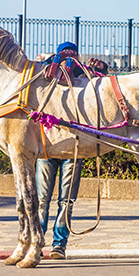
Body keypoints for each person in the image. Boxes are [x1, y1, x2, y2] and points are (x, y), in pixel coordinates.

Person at [37, 41, 107, 259]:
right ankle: (37, 240)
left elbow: (103, 90)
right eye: (65, 55)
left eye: (72, 56)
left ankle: (59, 244)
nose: (69, 60)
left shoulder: (85, 75)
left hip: (74, 148)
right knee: (42, 199)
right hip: (48, 147)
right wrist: (55, 64)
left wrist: (102, 69)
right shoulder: (47, 73)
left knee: (65, 200)